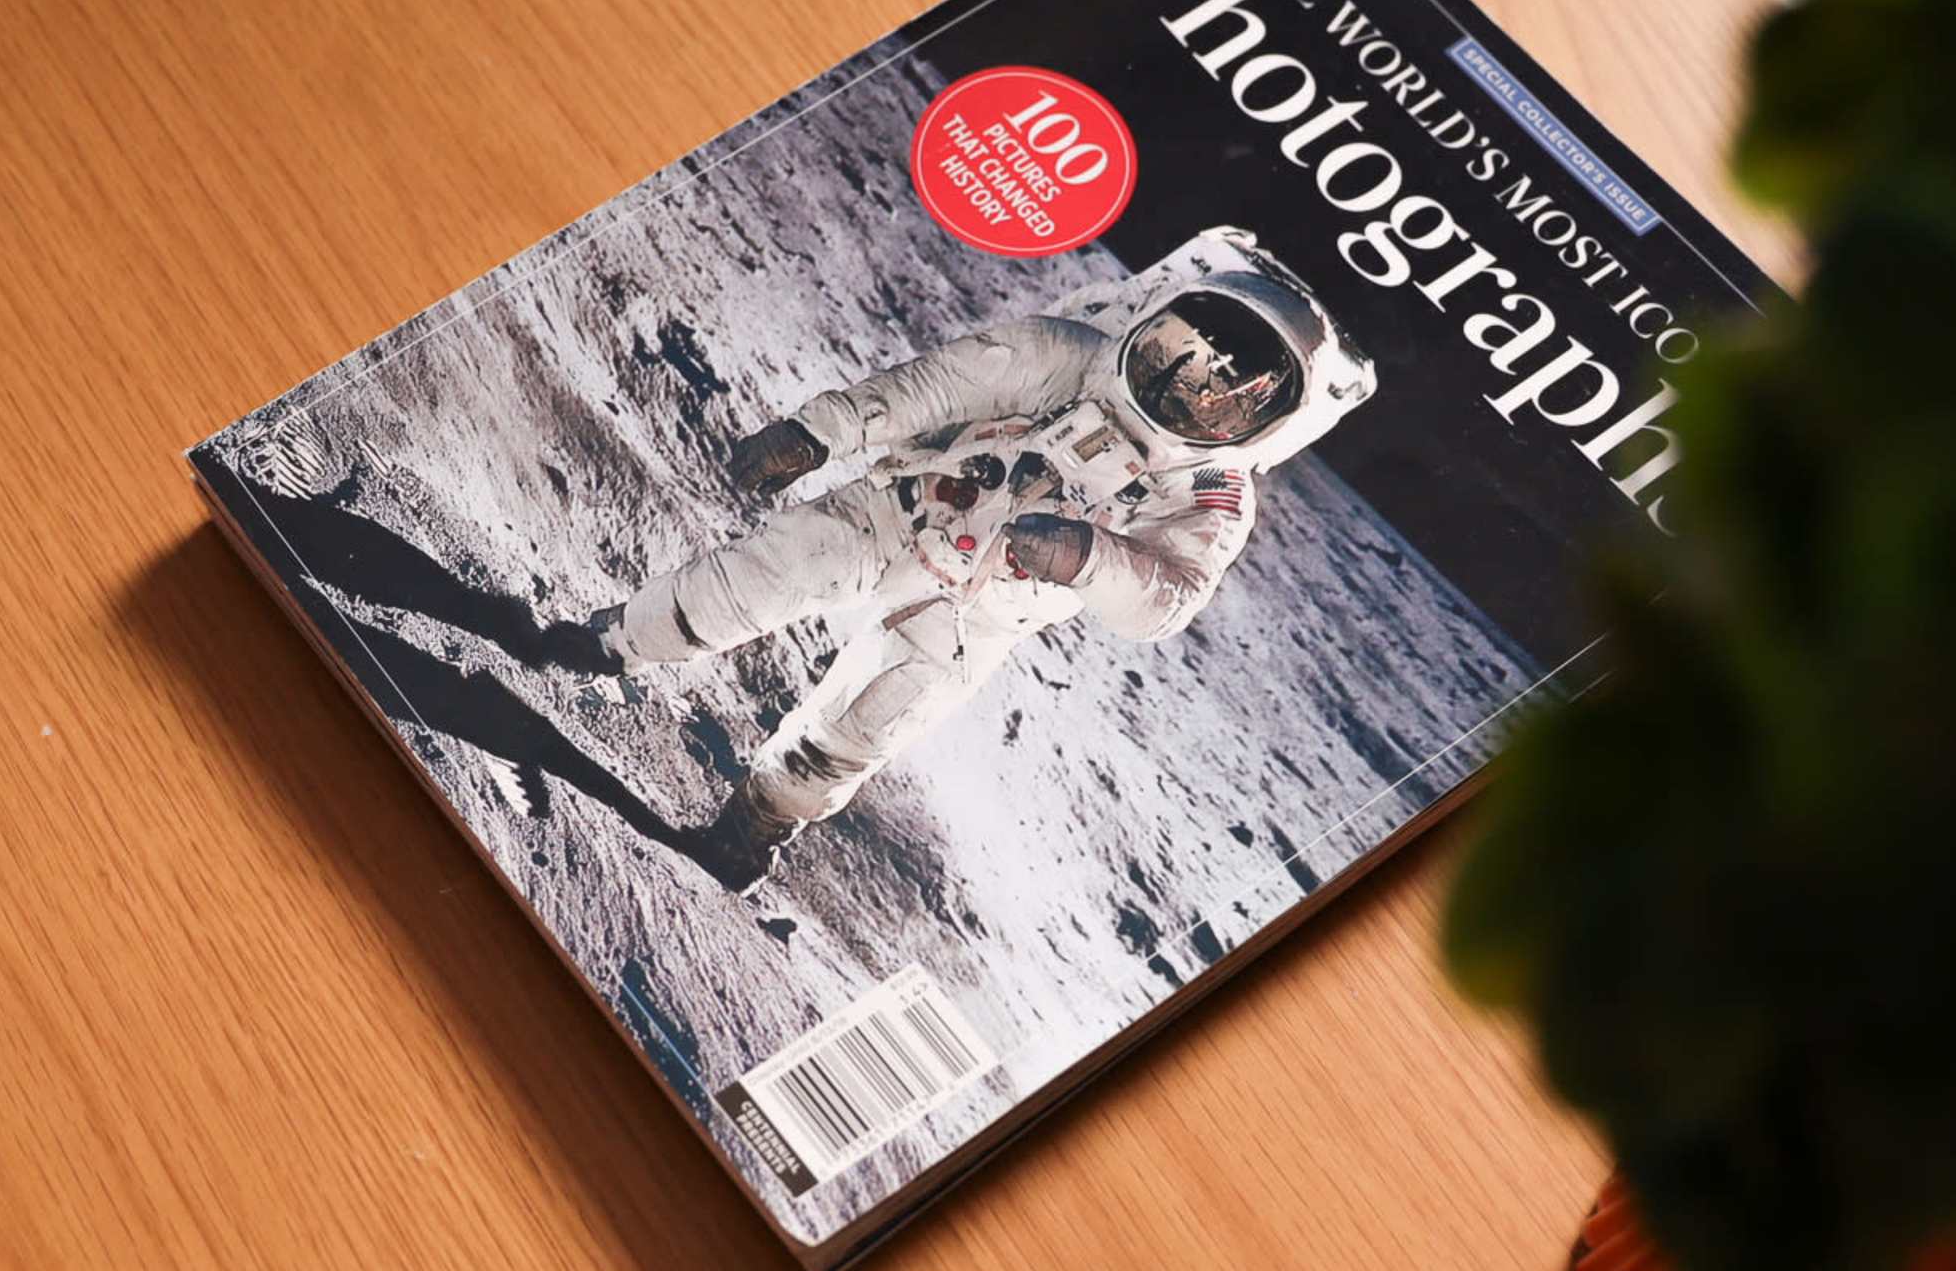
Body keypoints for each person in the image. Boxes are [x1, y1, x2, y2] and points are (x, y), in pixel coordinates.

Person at [545, 250, 1373, 889]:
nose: (1189, 389)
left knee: (848, 739)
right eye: (1179, 352)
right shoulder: (1065, 355)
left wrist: (1088, 558)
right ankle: (605, 645)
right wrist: (818, 434)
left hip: (977, 615)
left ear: (1267, 417)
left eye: (1228, 394)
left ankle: (744, 837)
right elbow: (929, 391)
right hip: (898, 516)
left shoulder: (1212, 492)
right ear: (1155, 322)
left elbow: (1164, 603)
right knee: (744, 585)